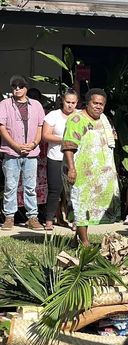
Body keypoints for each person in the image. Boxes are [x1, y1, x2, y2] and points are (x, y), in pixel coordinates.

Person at [62, 88, 120, 246]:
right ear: (87, 103)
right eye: (95, 103)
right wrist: (72, 169)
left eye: (102, 104)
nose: (98, 107)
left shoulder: (105, 120)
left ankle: (76, 240)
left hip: (98, 174)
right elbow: (68, 146)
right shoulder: (76, 119)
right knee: (80, 204)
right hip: (79, 172)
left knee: (89, 207)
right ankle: (85, 242)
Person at [0, 75, 45, 230]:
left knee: (30, 186)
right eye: (14, 87)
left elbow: (40, 127)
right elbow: (2, 128)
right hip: (11, 152)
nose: (17, 89)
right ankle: (9, 217)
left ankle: (32, 217)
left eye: (20, 86)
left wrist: (33, 144)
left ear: (26, 88)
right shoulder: (5, 104)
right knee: (10, 186)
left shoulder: (37, 105)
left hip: (31, 152)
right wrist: (16, 146)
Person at [41, 88, 79, 230]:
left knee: (74, 191)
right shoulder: (53, 115)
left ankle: (76, 220)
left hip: (76, 158)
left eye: (73, 103)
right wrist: (65, 140)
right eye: (68, 102)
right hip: (56, 157)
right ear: (62, 101)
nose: (70, 105)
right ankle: (50, 219)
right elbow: (45, 136)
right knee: (55, 190)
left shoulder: (81, 116)